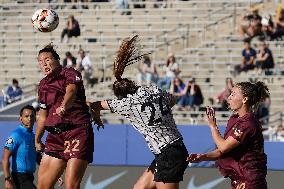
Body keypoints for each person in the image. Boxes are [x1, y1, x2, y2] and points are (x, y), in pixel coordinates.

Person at [89, 35, 189, 189]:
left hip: (168, 153)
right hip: (172, 149)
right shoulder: (155, 91)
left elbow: (94, 105)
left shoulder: (127, 104)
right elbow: (173, 99)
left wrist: (97, 118)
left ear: (121, 96)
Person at [188, 81, 270, 189]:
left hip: (250, 182)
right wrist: (203, 157)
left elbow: (223, 147)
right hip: (240, 181)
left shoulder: (247, 123)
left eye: (233, 94)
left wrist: (213, 126)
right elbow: (223, 150)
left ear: (244, 99)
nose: (229, 97)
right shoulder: (236, 120)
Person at [35, 44, 94, 189]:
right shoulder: (43, 85)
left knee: (71, 186)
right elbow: (43, 116)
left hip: (77, 132)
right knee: (43, 186)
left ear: (57, 60)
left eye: (47, 59)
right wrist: (37, 139)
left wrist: (64, 106)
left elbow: (71, 91)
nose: (44, 63)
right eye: (41, 61)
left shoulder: (69, 73)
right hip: (55, 137)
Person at [2, 105, 63, 189]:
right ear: (21, 119)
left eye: (32, 116)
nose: (29, 119)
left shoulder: (33, 136)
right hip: (19, 177)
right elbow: (5, 158)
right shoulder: (16, 135)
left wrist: (52, 173)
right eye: (26, 116)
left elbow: (38, 157)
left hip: (30, 177)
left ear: (35, 119)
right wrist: (7, 179)